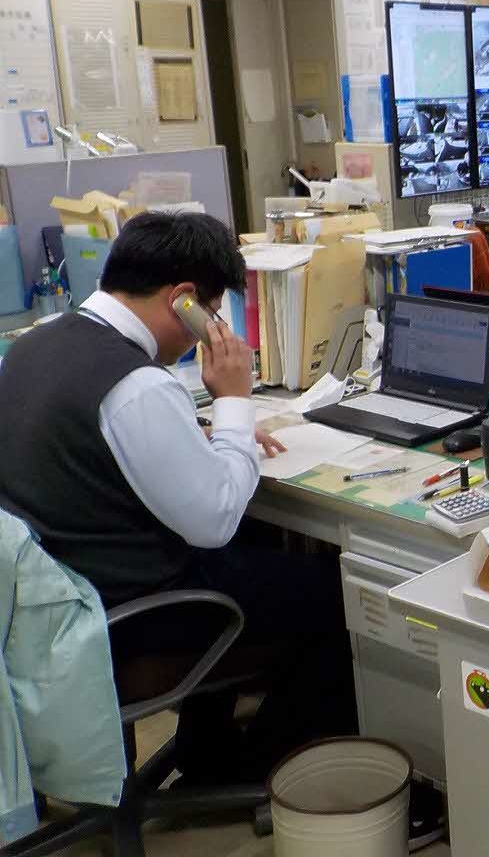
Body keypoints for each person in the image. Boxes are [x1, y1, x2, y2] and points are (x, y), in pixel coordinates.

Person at [0, 211, 356, 784]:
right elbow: (214, 519)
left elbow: (87, 449)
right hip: (123, 619)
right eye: (210, 313)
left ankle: (205, 748)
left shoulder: (36, 346)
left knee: (263, 541)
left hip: (49, 604)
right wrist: (236, 403)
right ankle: (252, 770)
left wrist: (199, 434)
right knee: (336, 592)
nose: (208, 328)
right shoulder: (137, 387)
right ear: (183, 300)